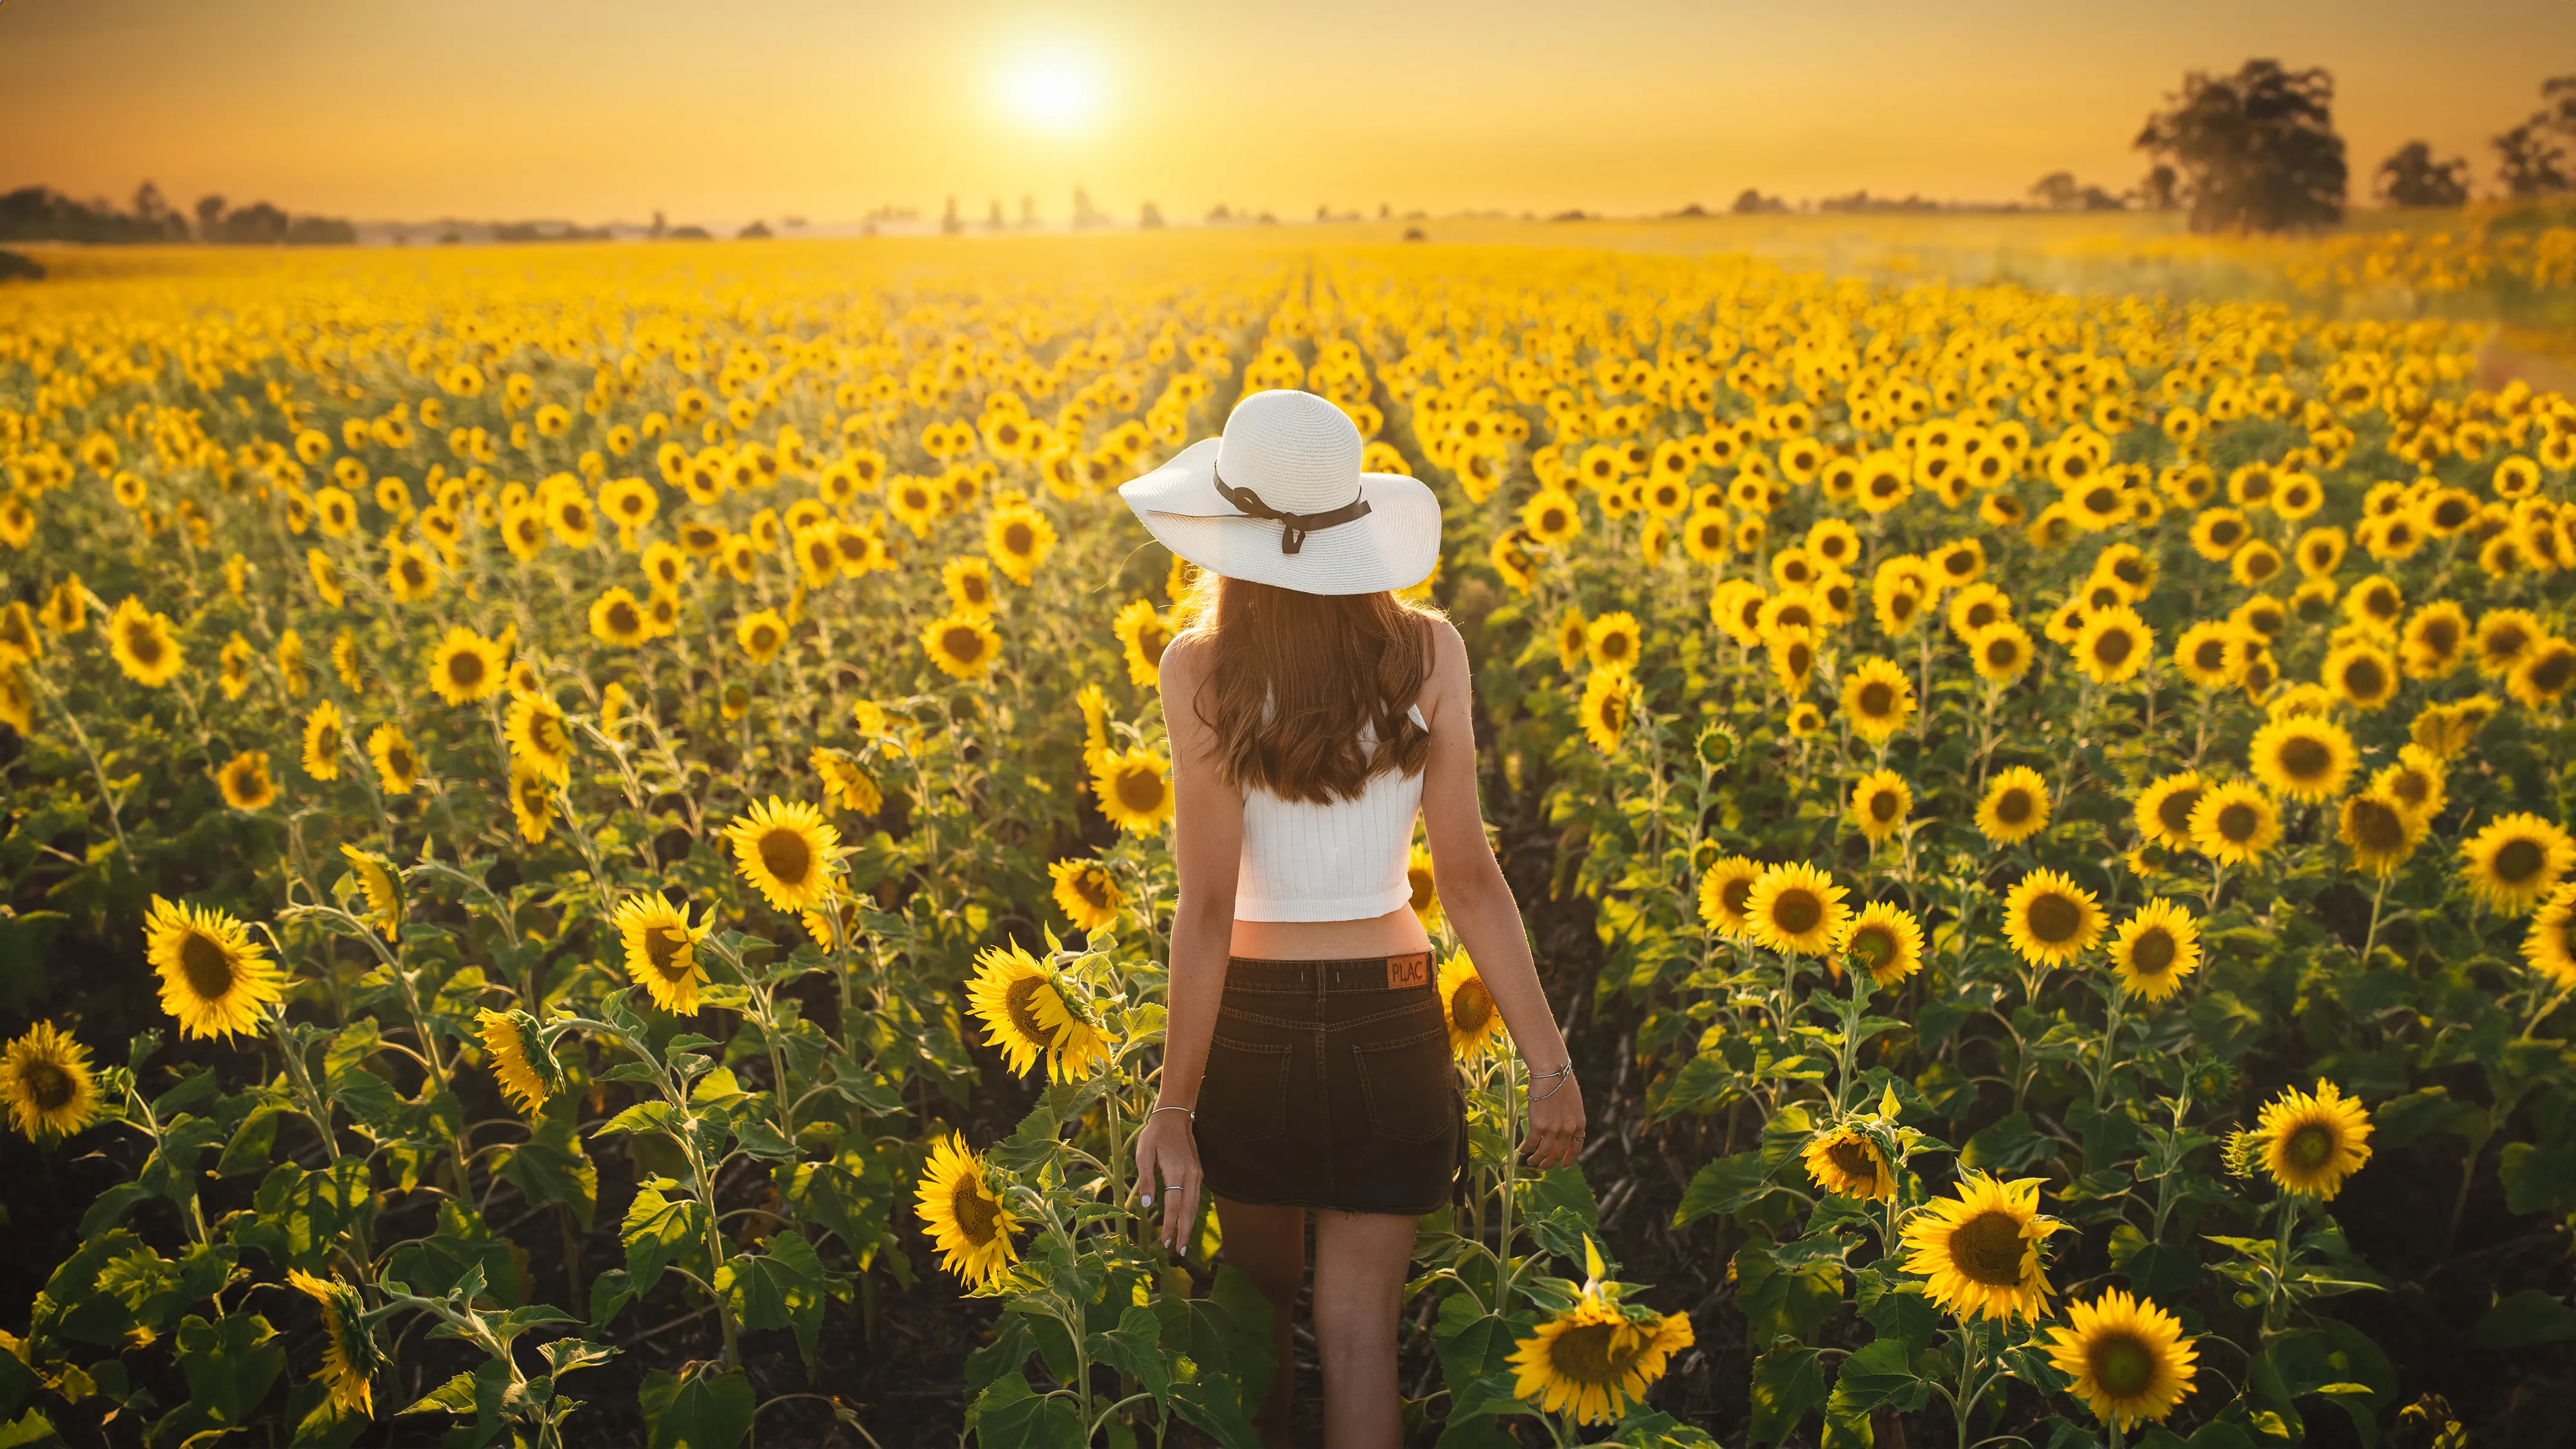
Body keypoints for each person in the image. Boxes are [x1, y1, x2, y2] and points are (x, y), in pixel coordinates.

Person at [1123, 389, 1586, 1448]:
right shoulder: (1427, 651)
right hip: (1392, 1013)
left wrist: (1174, 1106)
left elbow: (1203, 908)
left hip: (1251, 1021)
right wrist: (1548, 1063)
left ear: (1229, 531)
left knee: (1257, 1320)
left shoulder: (1198, 668)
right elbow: (1467, 878)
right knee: (1361, 1336)